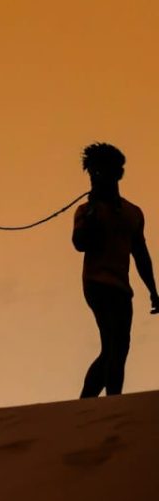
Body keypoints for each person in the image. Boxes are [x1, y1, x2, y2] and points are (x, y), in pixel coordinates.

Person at [71, 143, 159, 397]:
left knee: (119, 348)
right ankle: (105, 405)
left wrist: (153, 290)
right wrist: (91, 213)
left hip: (121, 287)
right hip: (97, 283)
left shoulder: (133, 213)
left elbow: (140, 253)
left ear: (117, 173)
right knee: (113, 344)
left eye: (101, 172)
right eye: (94, 174)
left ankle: (98, 403)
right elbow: (79, 244)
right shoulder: (86, 211)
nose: (96, 178)